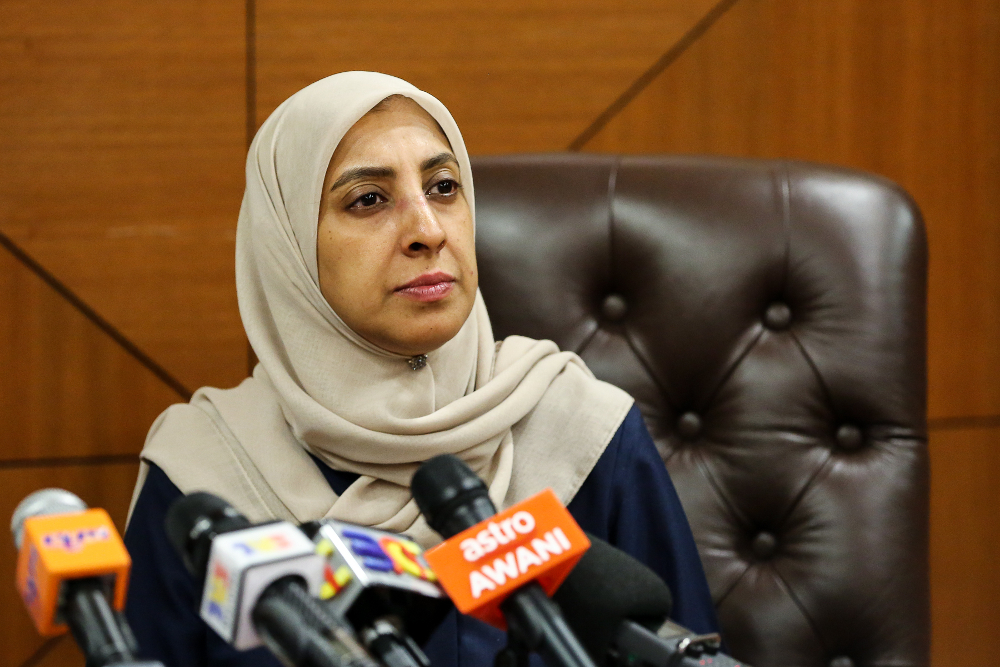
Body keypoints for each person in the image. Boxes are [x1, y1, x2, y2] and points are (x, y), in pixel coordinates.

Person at [123, 71, 719, 667]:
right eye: (369, 200)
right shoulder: (201, 474)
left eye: (442, 187)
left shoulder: (584, 432)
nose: (428, 231)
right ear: (291, 248)